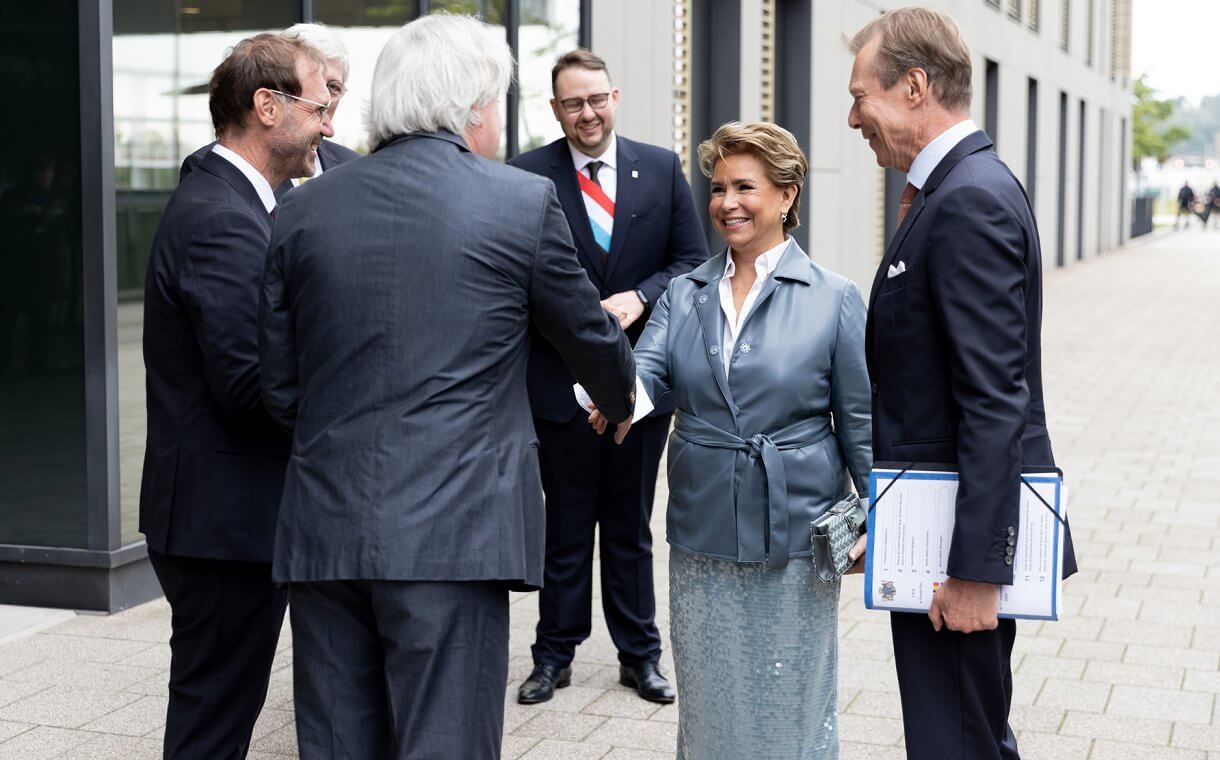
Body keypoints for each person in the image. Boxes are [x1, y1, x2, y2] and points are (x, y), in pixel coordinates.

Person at [257, 14, 637, 760]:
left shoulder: (301, 209)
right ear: (472, 108)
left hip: (326, 530)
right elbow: (589, 337)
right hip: (454, 535)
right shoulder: (518, 204)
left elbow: (280, 386)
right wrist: (621, 400)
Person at [592, 121, 872, 759]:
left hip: (797, 532)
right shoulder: (685, 293)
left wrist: (876, 518)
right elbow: (648, 372)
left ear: (787, 195)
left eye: (745, 186)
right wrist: (612, 398)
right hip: (702, 527)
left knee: (791, 698)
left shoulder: (835, 298)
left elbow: (860, 422)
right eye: (717, 189)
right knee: (713, 700)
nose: (726, 203)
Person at [846, 8, 1077, 759]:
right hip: (926, 531)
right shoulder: (950, 188)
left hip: (954, 553)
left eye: (861, 97)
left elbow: (993, 396)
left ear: (914, 86)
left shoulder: (968, 198)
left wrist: (977, 571)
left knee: (960, 743)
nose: (853, 119)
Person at [139, 33, 331, 759]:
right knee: (213, 721)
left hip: (224, 518)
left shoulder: (235, 199)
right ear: (267, 106)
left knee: (216, 706)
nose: (330, 125)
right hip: (222, 526)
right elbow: (250, 385)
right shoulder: (222, 217)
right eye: (319, 106)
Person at [509, 49, 707, 705]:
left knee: (628, 526)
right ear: (555, 107)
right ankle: (553, 656)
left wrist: (640, 297)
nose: (587, 113)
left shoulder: (661, 167)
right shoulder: (526, 176)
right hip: (557, 385)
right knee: (564, 527)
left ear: (614, 97)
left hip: (638, 386)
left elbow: (690, 262)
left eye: (597, 99)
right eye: (573, 102)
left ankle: (639, 657)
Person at [181, 23, 359, 187]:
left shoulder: (354, 167)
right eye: (314, 85)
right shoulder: (209, 167)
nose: (324, 97)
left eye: (333, 87)